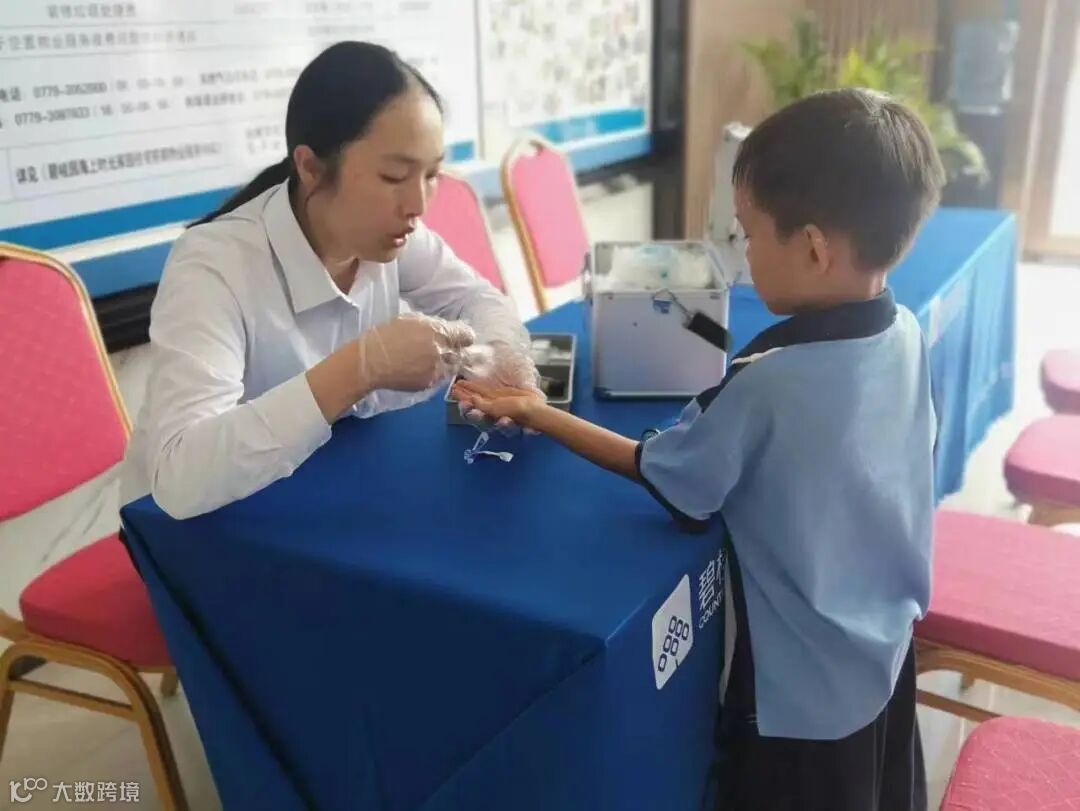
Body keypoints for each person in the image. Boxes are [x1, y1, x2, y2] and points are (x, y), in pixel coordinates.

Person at [454, 88, 944, 811]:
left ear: (814, 248)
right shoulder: (904, 332)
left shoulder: (767, 383)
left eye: (749, 234)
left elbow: (664, 475)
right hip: (885, 658)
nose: (741, 254)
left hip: (800, 709)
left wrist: (536, 412)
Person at [121, 42, 537, 520]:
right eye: (393, 176)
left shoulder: (391, 233)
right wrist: (357, 370)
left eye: (431, 174)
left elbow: (477, 298)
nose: (418, 205)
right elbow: (180, 476)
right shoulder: (213, 266)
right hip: (202, 527)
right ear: (310, 167)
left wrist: (499, 354)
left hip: (320, 494)